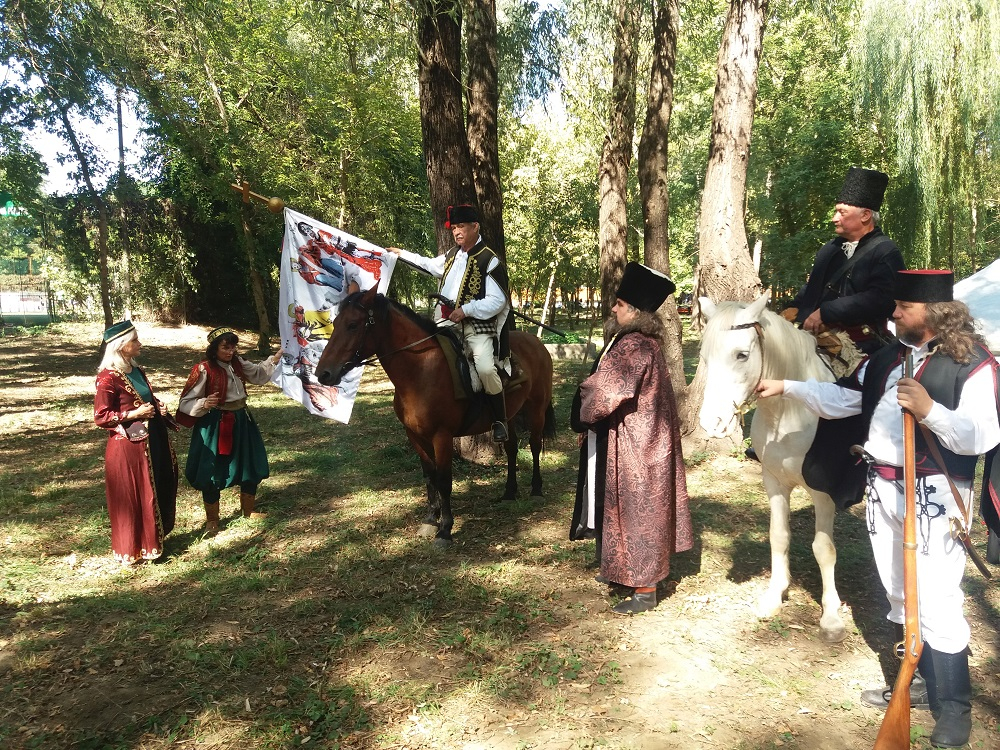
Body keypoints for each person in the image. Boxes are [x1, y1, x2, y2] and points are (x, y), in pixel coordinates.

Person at [756, 270, 1000, 748]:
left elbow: (982, 435)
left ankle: (954, 709)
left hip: (933, 493)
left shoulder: (972, 363)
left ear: (932, 312)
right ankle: (919, 682)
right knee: (897, 590)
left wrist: (930, 410)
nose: (892, 313)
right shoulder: (887, 359)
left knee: (937, 597)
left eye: (902, 307)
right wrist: (788, 386)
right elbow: (845, 398)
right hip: (882, 488)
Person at [568, 262, 693, 615]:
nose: (613, 308)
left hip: (638, 445)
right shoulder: (639, 342)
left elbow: (607, 391)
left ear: (635, 311)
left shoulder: (634, 345)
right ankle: (624, 571)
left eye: (620, 304)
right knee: (625, 510)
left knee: (639, 510)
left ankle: (645, 588)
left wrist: (580, 410)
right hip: (640, 438)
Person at [386, 203, 513, 442]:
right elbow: (428, 264)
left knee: (485, 367)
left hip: (477, 327)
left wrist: (465, 310)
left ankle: (499, 420)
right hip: (445, 323)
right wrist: (401, 255)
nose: (456, 232)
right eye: (454, 227)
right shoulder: (452, 255)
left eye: (461, 226)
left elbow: (497, 300)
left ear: (475, 226)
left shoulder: (490, 260)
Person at [783, 166, 906, 356]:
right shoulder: (829, 249)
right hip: (816, 341)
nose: (834, 218)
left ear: (865, 215)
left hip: (864, 347)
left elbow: (883, 300)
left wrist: (827, 311)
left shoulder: (886, 252)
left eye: (842, 212)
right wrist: (791, 308)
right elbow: (814, 288)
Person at [177, 327, 283, 534]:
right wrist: (204, 403)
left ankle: (248, 511)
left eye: (233, 346)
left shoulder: (238, 364)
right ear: (214, 349)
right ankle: (212, 520)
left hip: (242, 420)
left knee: (249, 462)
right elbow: (185, 403)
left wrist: (276, 358)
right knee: (212, 468)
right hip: (216, 423)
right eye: (225, 347)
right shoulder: (204, 369)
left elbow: (259, 374)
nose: (230, 351)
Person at [93, 321, 179, 565]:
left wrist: (157, 404)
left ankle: (154, 540)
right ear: (122, 346)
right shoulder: (107, 378)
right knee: (134, 495)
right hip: (129, 447)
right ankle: (133, 549)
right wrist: (133, 414)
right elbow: (101, 416)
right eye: (135, 341)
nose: (139, 344)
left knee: (154, 488)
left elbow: (143, 397)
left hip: (152, 440)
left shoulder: (135, 369)